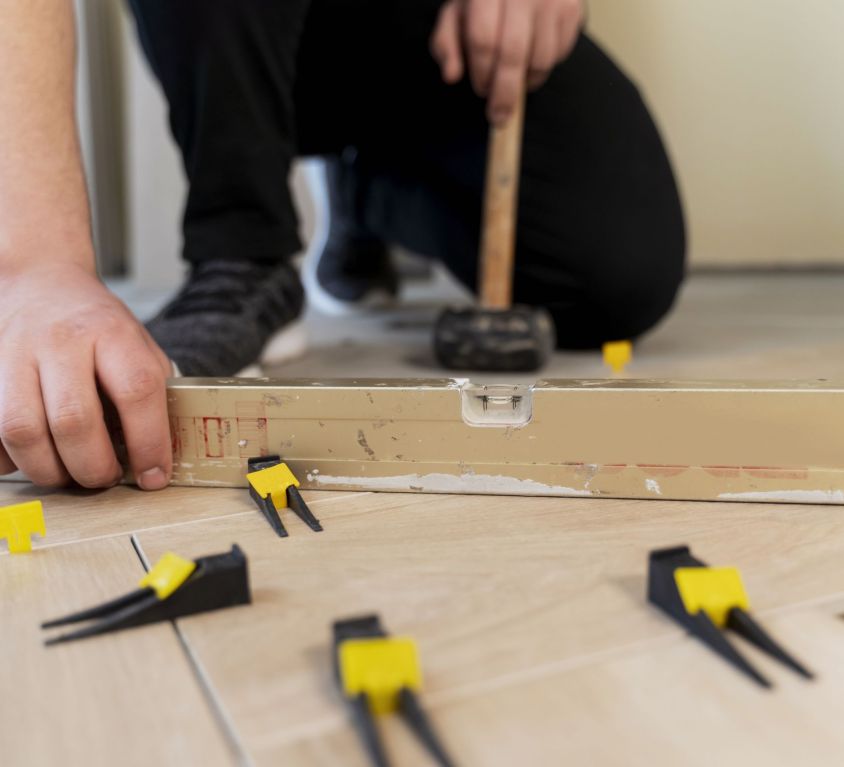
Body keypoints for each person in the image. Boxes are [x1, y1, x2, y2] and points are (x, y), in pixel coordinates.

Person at [0, 0, 685, 492]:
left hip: (430, 26)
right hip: (229, 31)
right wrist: (41, 264)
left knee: (616, 274)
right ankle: (243, 248)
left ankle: (364, 193)